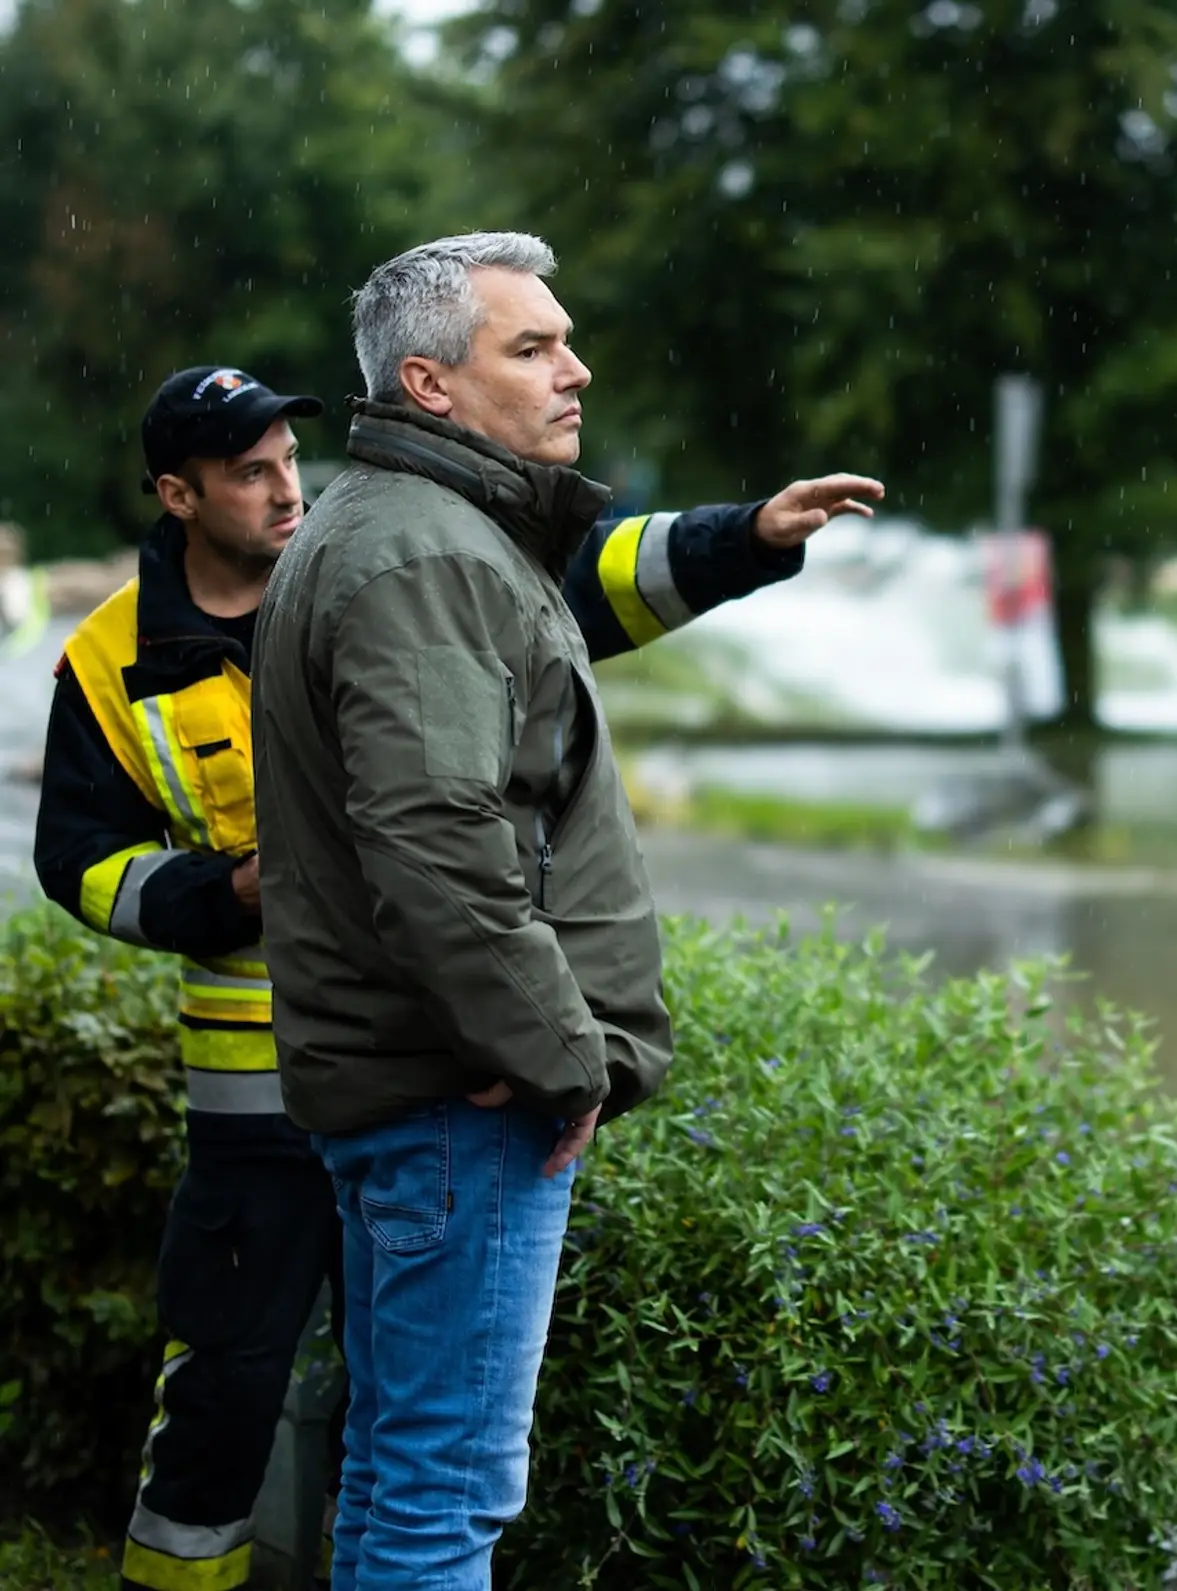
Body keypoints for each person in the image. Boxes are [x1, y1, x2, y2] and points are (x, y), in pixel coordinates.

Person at [37, 349, 871, 1591]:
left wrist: (743, 536)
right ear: (176, 495)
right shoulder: (112, 663)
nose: (285, 493)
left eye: (288, 464)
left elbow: (574, 587)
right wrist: (221, 895)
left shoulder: (360, 573)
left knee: (397, 1425)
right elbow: (78, 861)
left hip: (408, 1068)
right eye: (249, 475)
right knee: (234, 1387)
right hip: (255, 1091)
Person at [252, 230, 883, 1589]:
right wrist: (560, 1050)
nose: (574, 367)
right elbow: (434, 839)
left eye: (565, 337)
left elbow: (566, 618)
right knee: (444, 1493)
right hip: (463, 1099)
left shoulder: (428, 532)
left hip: (423, 1088)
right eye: (531, 345)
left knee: (400, 1468)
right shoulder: (427, 559)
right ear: (429, 382)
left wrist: (747, 537)